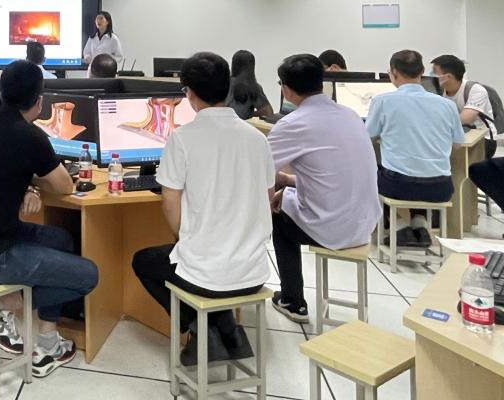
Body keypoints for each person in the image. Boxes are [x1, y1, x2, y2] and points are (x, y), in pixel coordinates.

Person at [0, 60, 98, 378]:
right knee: (87, 275)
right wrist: (38, 182)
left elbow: (0, 169)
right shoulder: (29, 136)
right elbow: (64, 186)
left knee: (61, 239)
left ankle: (48, 341)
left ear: (2, 93)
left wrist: (29, 185)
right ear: (39, 101)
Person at [132, 52, 275, 366]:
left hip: (205, 275)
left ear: (189, 93)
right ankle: (228, 328)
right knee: (199, 263)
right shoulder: (258, 139)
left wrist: (186, 240)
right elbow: (267, 197)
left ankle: (201, 327)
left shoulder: (182, 138)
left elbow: (170, 204)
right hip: (253, 273)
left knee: (145, 261)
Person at [267, 54, 381, 323]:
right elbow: (333, 176)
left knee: (277, 218)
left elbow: (260, 172)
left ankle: (293, 300)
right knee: (285, 196)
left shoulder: (293, 123)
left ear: (286, 89)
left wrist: (272, 194)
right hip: (365, 223)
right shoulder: (350, 115)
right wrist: (287, 182)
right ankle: (292, 298)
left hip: (333, 228)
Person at [366, 50, 466, 248]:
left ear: (393, 72)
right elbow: (457, 144)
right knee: (418, 173)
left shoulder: (382, 101)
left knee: (371, 172)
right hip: (440, 188)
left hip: (398, 186)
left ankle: (400, 228)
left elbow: (367, 136)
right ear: (422, 72)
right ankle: (419, 226)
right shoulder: (447, 105)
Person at [432, 54, 504, 222]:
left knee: (458, 168)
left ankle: (459, 213)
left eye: (434, 72)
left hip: (483, 141)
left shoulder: (474, 89)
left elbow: (466, 118)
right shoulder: (439, 92)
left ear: (447, 76)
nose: (430, 76)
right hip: (453, 139)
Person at [226, 49, 273, 120]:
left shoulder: (223, 82)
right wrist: (249, 114)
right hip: (239, 125)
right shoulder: (253, 87)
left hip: (218, 123)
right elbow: (268, 112)